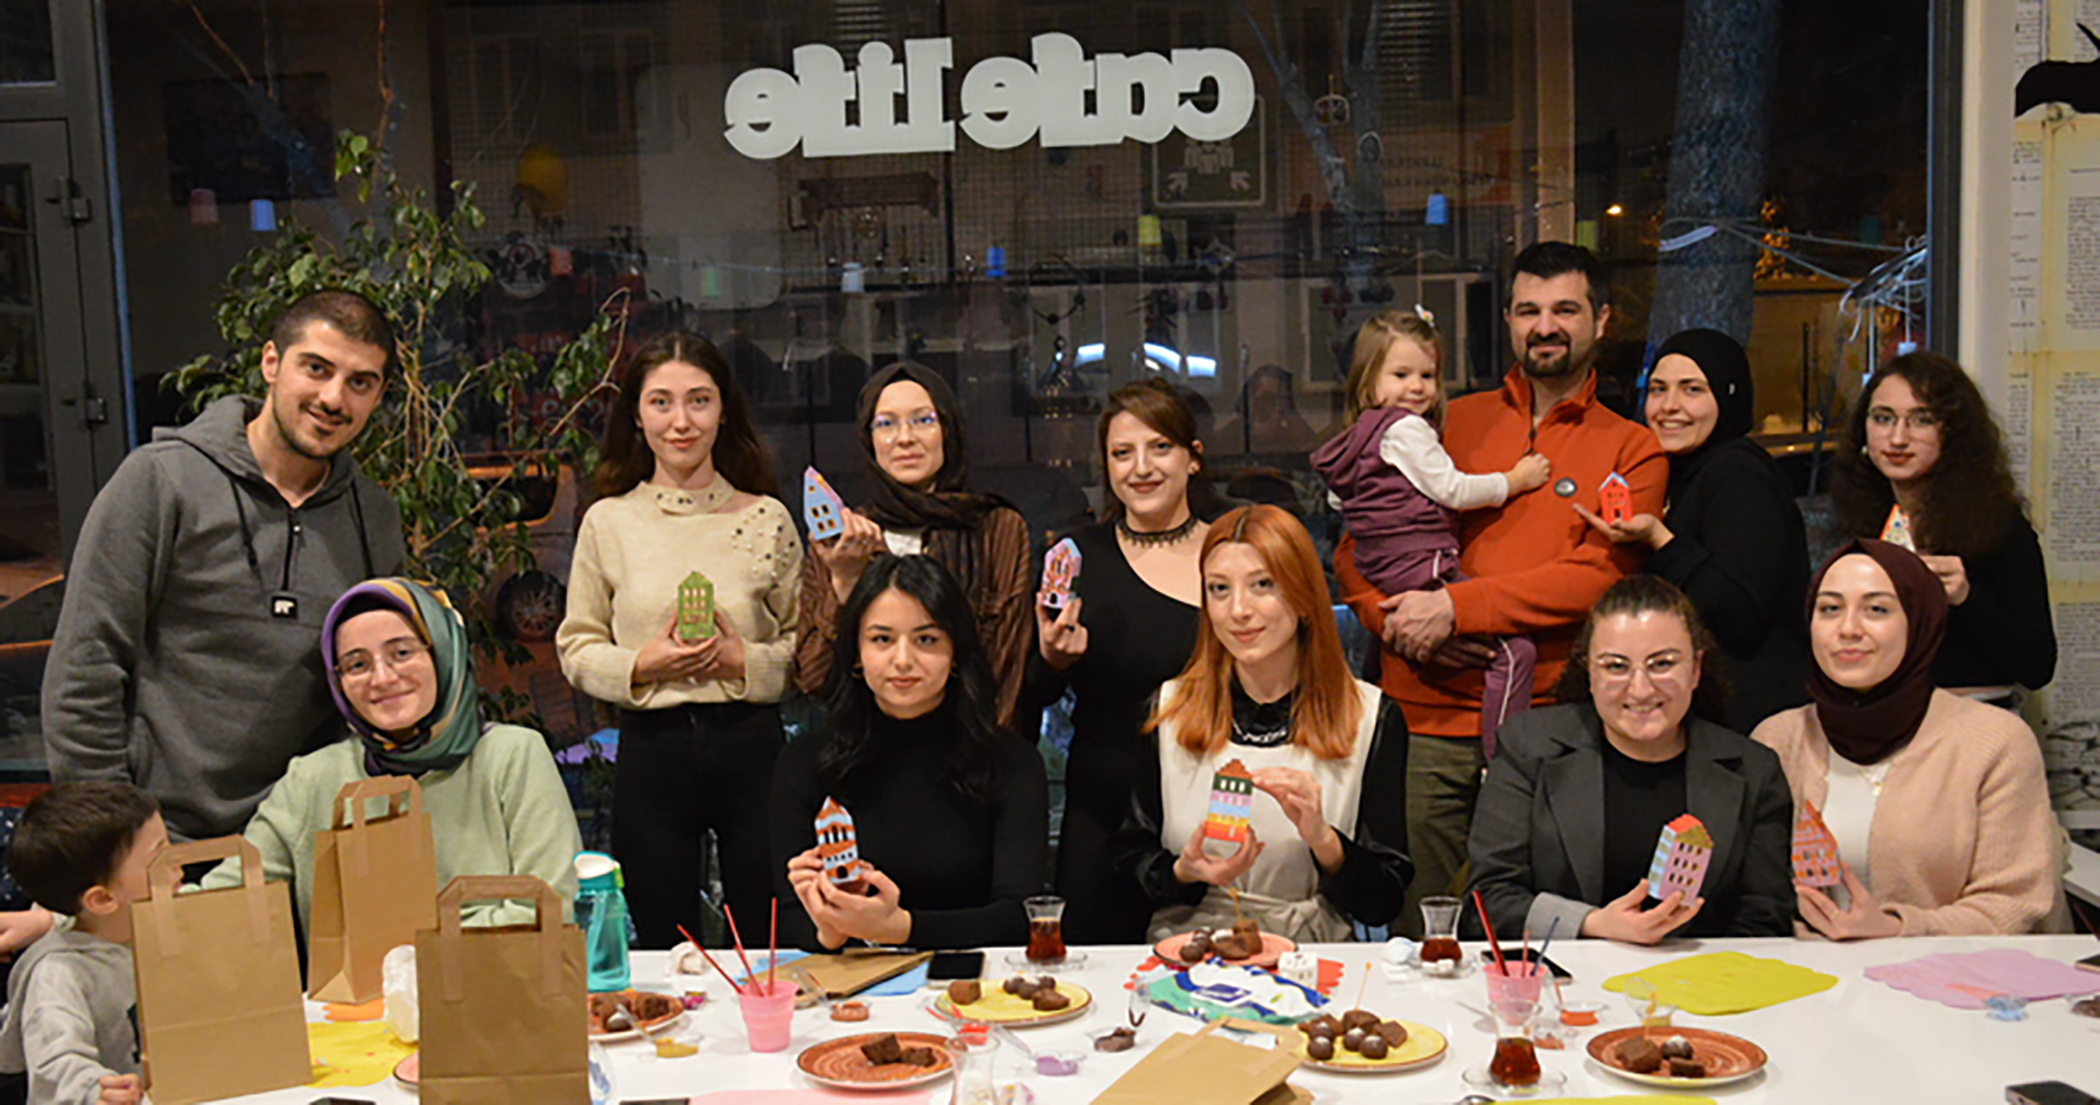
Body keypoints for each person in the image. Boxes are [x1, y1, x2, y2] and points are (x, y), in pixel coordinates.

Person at [1336, 242, 1665, 935]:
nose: (1545, 325)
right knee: (1421, 938)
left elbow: (1597, 577)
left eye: (1565, 309)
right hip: (1422, 721)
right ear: (1510, 322)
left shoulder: (1633, 445)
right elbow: (1358, 539)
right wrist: (1393, 619)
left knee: (1544, 934)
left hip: (1552, 728)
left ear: (1601, 319)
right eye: (1528, 310)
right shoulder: (1439, 418)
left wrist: (1454, 609)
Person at [42, 290, 406, 844]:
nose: (334, 398)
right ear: (270, 363)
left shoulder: (373, 517)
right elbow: (85, 668)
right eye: (317, 368)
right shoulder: (160, 482)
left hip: (305, 844)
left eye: (360, 382)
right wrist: (113, 839)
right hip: (161, 840)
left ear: (377, 394)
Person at [557, 332, 801, 948]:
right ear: (637, 416)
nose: (681, 421)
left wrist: (743, 659)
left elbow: (812, 644)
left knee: (769, 939)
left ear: (724, 411)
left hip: (754, 748)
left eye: (699, 401)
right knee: (662, 946)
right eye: (661, 402)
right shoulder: (608, 521)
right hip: (651, 749)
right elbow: (577, 646)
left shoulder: (765, 516)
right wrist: (644, 664)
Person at [200, 579, 581, 930]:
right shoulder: (314, 779)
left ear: (442, 653)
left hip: (492, 993)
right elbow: (231, 895)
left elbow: (553, 903)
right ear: (339, 683)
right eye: (357, 664)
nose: (382, 678)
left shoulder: (510, 756)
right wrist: (153, 911)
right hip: (358, 1005)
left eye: (401, 652)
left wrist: (411, 952)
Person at [1116, 505, 1412, 942]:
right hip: (1187, 957)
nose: (1238, 610)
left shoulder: (1370, 717)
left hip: (1311, 961)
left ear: (1304, 596)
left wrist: (1324, 842)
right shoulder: (1170, 709)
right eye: (1219, 589)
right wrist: (1182, 872)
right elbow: (1127, 865)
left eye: (1262, 586)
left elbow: (1383, 900)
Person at [1753, 539, 2068, 937]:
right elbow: (1752, 893)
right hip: (1806, 986)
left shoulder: (1995, 741)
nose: (1848, 629)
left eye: (1877, 609)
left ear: (1919, 621)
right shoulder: (1777, 738)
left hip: (1948, 984)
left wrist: (1894, 928)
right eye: (1830, 608)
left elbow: (2013, 904)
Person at [1467, 576, 1795, 943]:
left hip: (1700, 983)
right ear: (1589, 672)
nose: (1640, 689)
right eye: (1616, 667)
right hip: (1565, 983)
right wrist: (1593, 924)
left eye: (1662, 664)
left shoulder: (1753, 769)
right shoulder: (1529, 747)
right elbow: (1487, 901)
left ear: (1696, 669)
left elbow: (1765, 916)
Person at [1023, 379, 1223, 943]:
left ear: (1193, 458)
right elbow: (1031, 693)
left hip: (1209, 810)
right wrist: (1051, 658)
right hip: (1101, 812)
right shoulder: (1075, 555)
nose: (1141, 467)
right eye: (1121, 453)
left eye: (1160, 447)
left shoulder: (1231, 552)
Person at [772, 555, 1048, 950]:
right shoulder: (804, 763)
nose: (903, 660)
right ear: (856, 653)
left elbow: (1019, 916)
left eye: (926, 640)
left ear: (956, 653)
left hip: (974, 989)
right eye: (882, 639)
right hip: (847, 993)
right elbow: (786, 919)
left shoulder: (1012, 762)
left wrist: (901, 928)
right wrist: (830, 927)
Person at [1312, 308, 1552, 751]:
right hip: (1421, 564)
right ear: (1369, 381)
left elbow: (1339, 500)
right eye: (1401, 374)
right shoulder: (1407, 430)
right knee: (1516, 653)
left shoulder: (1358, 435)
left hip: (1379, 566)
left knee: (1388, 643)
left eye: (1427, 375)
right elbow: (1453, 489)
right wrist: (1515, 480)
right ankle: (1501, 760)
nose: (1417, 387)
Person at [1577, 329, 1810, 731]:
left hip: (1754, 724)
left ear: (1728, 396)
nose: (1669, 407)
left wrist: (1660, 539)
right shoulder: (1676, 473)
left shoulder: (1740, 474)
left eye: (1692, 390)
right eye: (1658, 390)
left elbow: (1739, 614)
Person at [794, 362, 1033, 727]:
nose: (905, 438)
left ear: (948, 431)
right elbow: (813, 677)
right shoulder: (844, 536)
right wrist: (844, 585)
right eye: (886, 424)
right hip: (868, 751)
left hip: (972, 751)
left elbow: (1006, 663)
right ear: (868, 439)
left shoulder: (995, 527)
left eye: (923, 420)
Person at [1831, 352, 2055, 702]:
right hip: (1876, 719)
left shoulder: (1997, 523)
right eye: (1882, 418)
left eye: (1921, 420)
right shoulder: (1858, 517)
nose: (1898, 438)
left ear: (1953, 432)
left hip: (1972, 720)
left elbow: (2037, 666)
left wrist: (1966, 598)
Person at [0, 782, 169, 1105]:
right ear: (103, 898)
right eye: (159, 857)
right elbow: (56, 1064)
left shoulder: (158, 923)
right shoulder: (57, 975)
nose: (177, 865)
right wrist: (95, 1092)